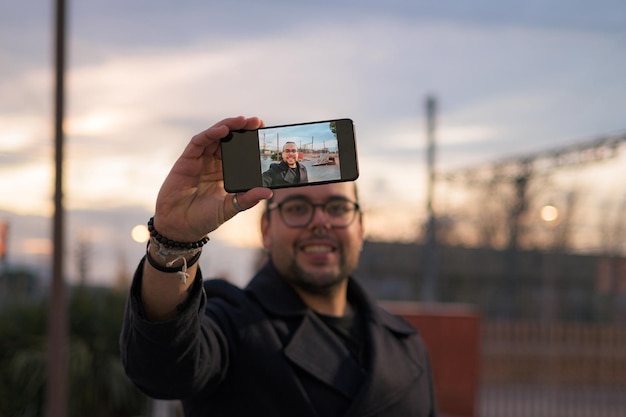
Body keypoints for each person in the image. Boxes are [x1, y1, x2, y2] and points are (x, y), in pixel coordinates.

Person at [120, 116, 438, 417]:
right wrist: (174, 239)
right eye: (298, 208)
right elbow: (163, 370)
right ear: (266, 230)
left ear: (360, 228)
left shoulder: (406, 344)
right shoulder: (232, 324)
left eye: (337, 208)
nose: (320, 222)